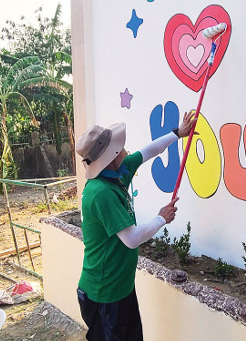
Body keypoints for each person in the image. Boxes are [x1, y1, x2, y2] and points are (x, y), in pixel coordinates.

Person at [75, 112, 197, 341]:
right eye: (119, 147)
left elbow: (149, 151)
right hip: (104, 294)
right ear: (111, 157)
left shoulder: (115, 174)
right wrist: (161, 218)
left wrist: (177, 134)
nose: (125, 149)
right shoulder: (100, 192)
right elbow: (131, 238)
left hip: (120, 288)